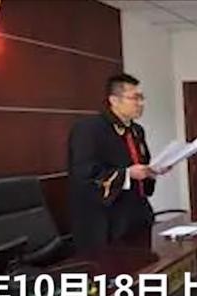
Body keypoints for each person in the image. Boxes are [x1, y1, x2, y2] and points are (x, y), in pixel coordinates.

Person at [68, 73, 169, 249]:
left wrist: (151, 172)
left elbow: (141, 166)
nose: (141, 103)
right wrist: (127, 174)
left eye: (142, 98)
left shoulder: (136, 131)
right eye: (135, 98)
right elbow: (84, 173)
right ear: (114, 100)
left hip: (138, 213)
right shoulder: (89, 129)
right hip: (106, 219)